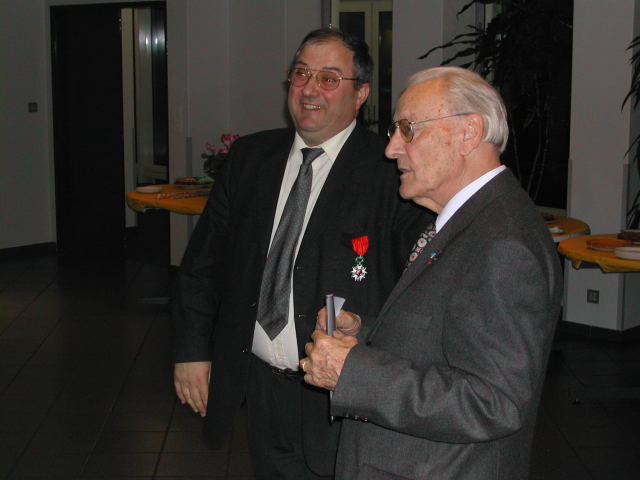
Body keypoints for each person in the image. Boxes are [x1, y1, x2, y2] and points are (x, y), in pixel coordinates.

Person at [172, 28, 428, 479]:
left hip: (343, 400)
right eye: (301, 74)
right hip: (259, 386)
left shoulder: (392, 171)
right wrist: (192, 350)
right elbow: (203, 264)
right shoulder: (250, 157)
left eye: (329, 78)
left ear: (361, 94)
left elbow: (419, 287)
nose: (310, 89)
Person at [300, 66, 563, 480]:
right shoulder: (472, 221)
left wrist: (354, 372)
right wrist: (365, 333)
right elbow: (443, 338)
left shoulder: (503, 242)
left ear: (469, 133)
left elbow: (493, 402)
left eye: (408, 129)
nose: (391, 149)